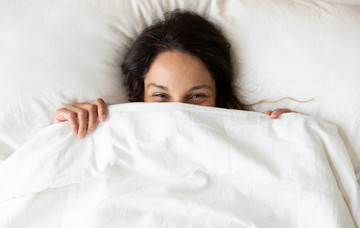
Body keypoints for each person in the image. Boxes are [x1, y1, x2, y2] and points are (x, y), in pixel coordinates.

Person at [53, 10, 295, 139]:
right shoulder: (110, 133)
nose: (177, 112)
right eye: (160, 95)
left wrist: (289, 137)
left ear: (218, 95)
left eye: (196, 96)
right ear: (141, 93)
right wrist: (66, 134)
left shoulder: (249, 139)